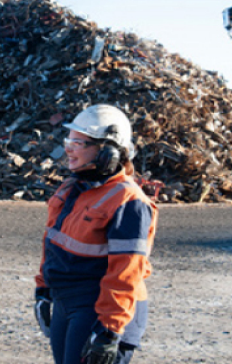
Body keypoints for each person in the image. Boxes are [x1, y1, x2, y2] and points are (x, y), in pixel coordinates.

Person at [34, 104, 158, 364]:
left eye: (79, 142)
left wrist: (109, 331)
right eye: (70, 139)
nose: (68, 148)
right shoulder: (72, 189)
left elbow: (125, 273)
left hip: (101, 309)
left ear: (108, 152)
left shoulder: (128, 201)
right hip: (68, 301)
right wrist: (43, 290)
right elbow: (53, 244)